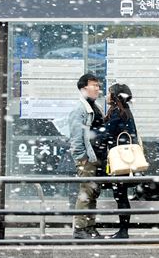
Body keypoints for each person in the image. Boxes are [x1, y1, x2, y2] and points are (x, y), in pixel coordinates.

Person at [98, 83, 139, 239]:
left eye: (109, 93)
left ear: (115, 96)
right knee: (120, 195)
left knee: (120, 196)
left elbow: (105, 134)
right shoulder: (124, 111)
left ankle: (123, 231)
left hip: (120, 160)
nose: (106, 96)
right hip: (124, 159)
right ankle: (123, 230)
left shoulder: (118, 113)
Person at [68, 73, 105, 239]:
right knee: (86, 192)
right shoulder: (80, 109)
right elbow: (76, 136)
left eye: (98, 85)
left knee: (92, 193)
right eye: (93, 85)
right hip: (87, 158)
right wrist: (82, 157)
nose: (97, 88)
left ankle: (90, 227)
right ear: (83, 88)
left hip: (95, 158)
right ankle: (80, 228)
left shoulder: (95, 106)